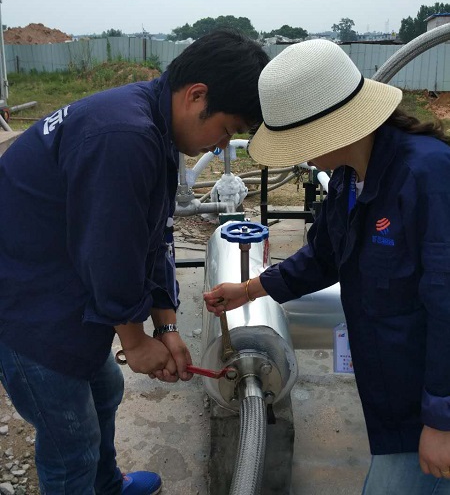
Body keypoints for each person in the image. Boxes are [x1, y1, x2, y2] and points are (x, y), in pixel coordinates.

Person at [0, 29, 269, 495]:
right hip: (26, 300)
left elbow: (150, 233)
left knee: (105, 391)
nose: (223, 146)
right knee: (72, 443)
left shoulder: (155, 121)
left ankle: (106, 485)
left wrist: (165, 327)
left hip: (58, 272)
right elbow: (109, 250)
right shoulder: (124, 136)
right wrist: (134, 337)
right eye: (226, 130)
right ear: (197, 95)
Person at [204, 39, 450, 494]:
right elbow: (322, 258)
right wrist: (251, 290)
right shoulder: (348, 178)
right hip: (394, 392)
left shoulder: (428, 176)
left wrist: (441, 421)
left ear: (336, 128)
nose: (304, 155)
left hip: (428, 402)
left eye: (302, 141)